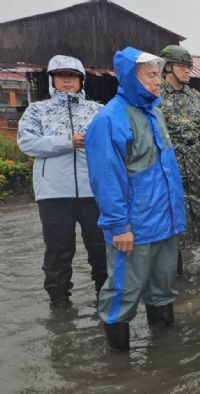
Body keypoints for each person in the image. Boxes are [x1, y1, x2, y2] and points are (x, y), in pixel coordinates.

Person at [85, 47, 186, 350]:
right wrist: (118, 226)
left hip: (165, 222)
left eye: (158, 74)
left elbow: (166, 168)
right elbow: (106, 180)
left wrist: (176, 215)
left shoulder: (154, 112)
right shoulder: (109, 120)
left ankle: (165, 358)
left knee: (163, 288)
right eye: (151, 75)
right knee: (123, 293)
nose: (158, 81)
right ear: (131, 77)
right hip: (135, 228)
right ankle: (119, 365)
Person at [16, 55, 106, 309]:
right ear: (52, 79)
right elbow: (27, 143)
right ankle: (59, 303)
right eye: (61, 75)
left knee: (101, 249)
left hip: (93, 192)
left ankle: (106, 297)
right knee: (58, 251)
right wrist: (68, 142)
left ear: (81, 81)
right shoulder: (37, 110)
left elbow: (111, 144)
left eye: (73, 76)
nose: (67, 80)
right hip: (53, 194)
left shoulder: (97, 111)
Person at [159, 45, 200, 273]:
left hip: (196, 168)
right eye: (182, 66)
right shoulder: (155, 97)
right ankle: (175, 280)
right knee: (173, 222)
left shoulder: (196, 97)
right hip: (169, 170)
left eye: (189, 67)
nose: (187, 71)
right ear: (167, 67)